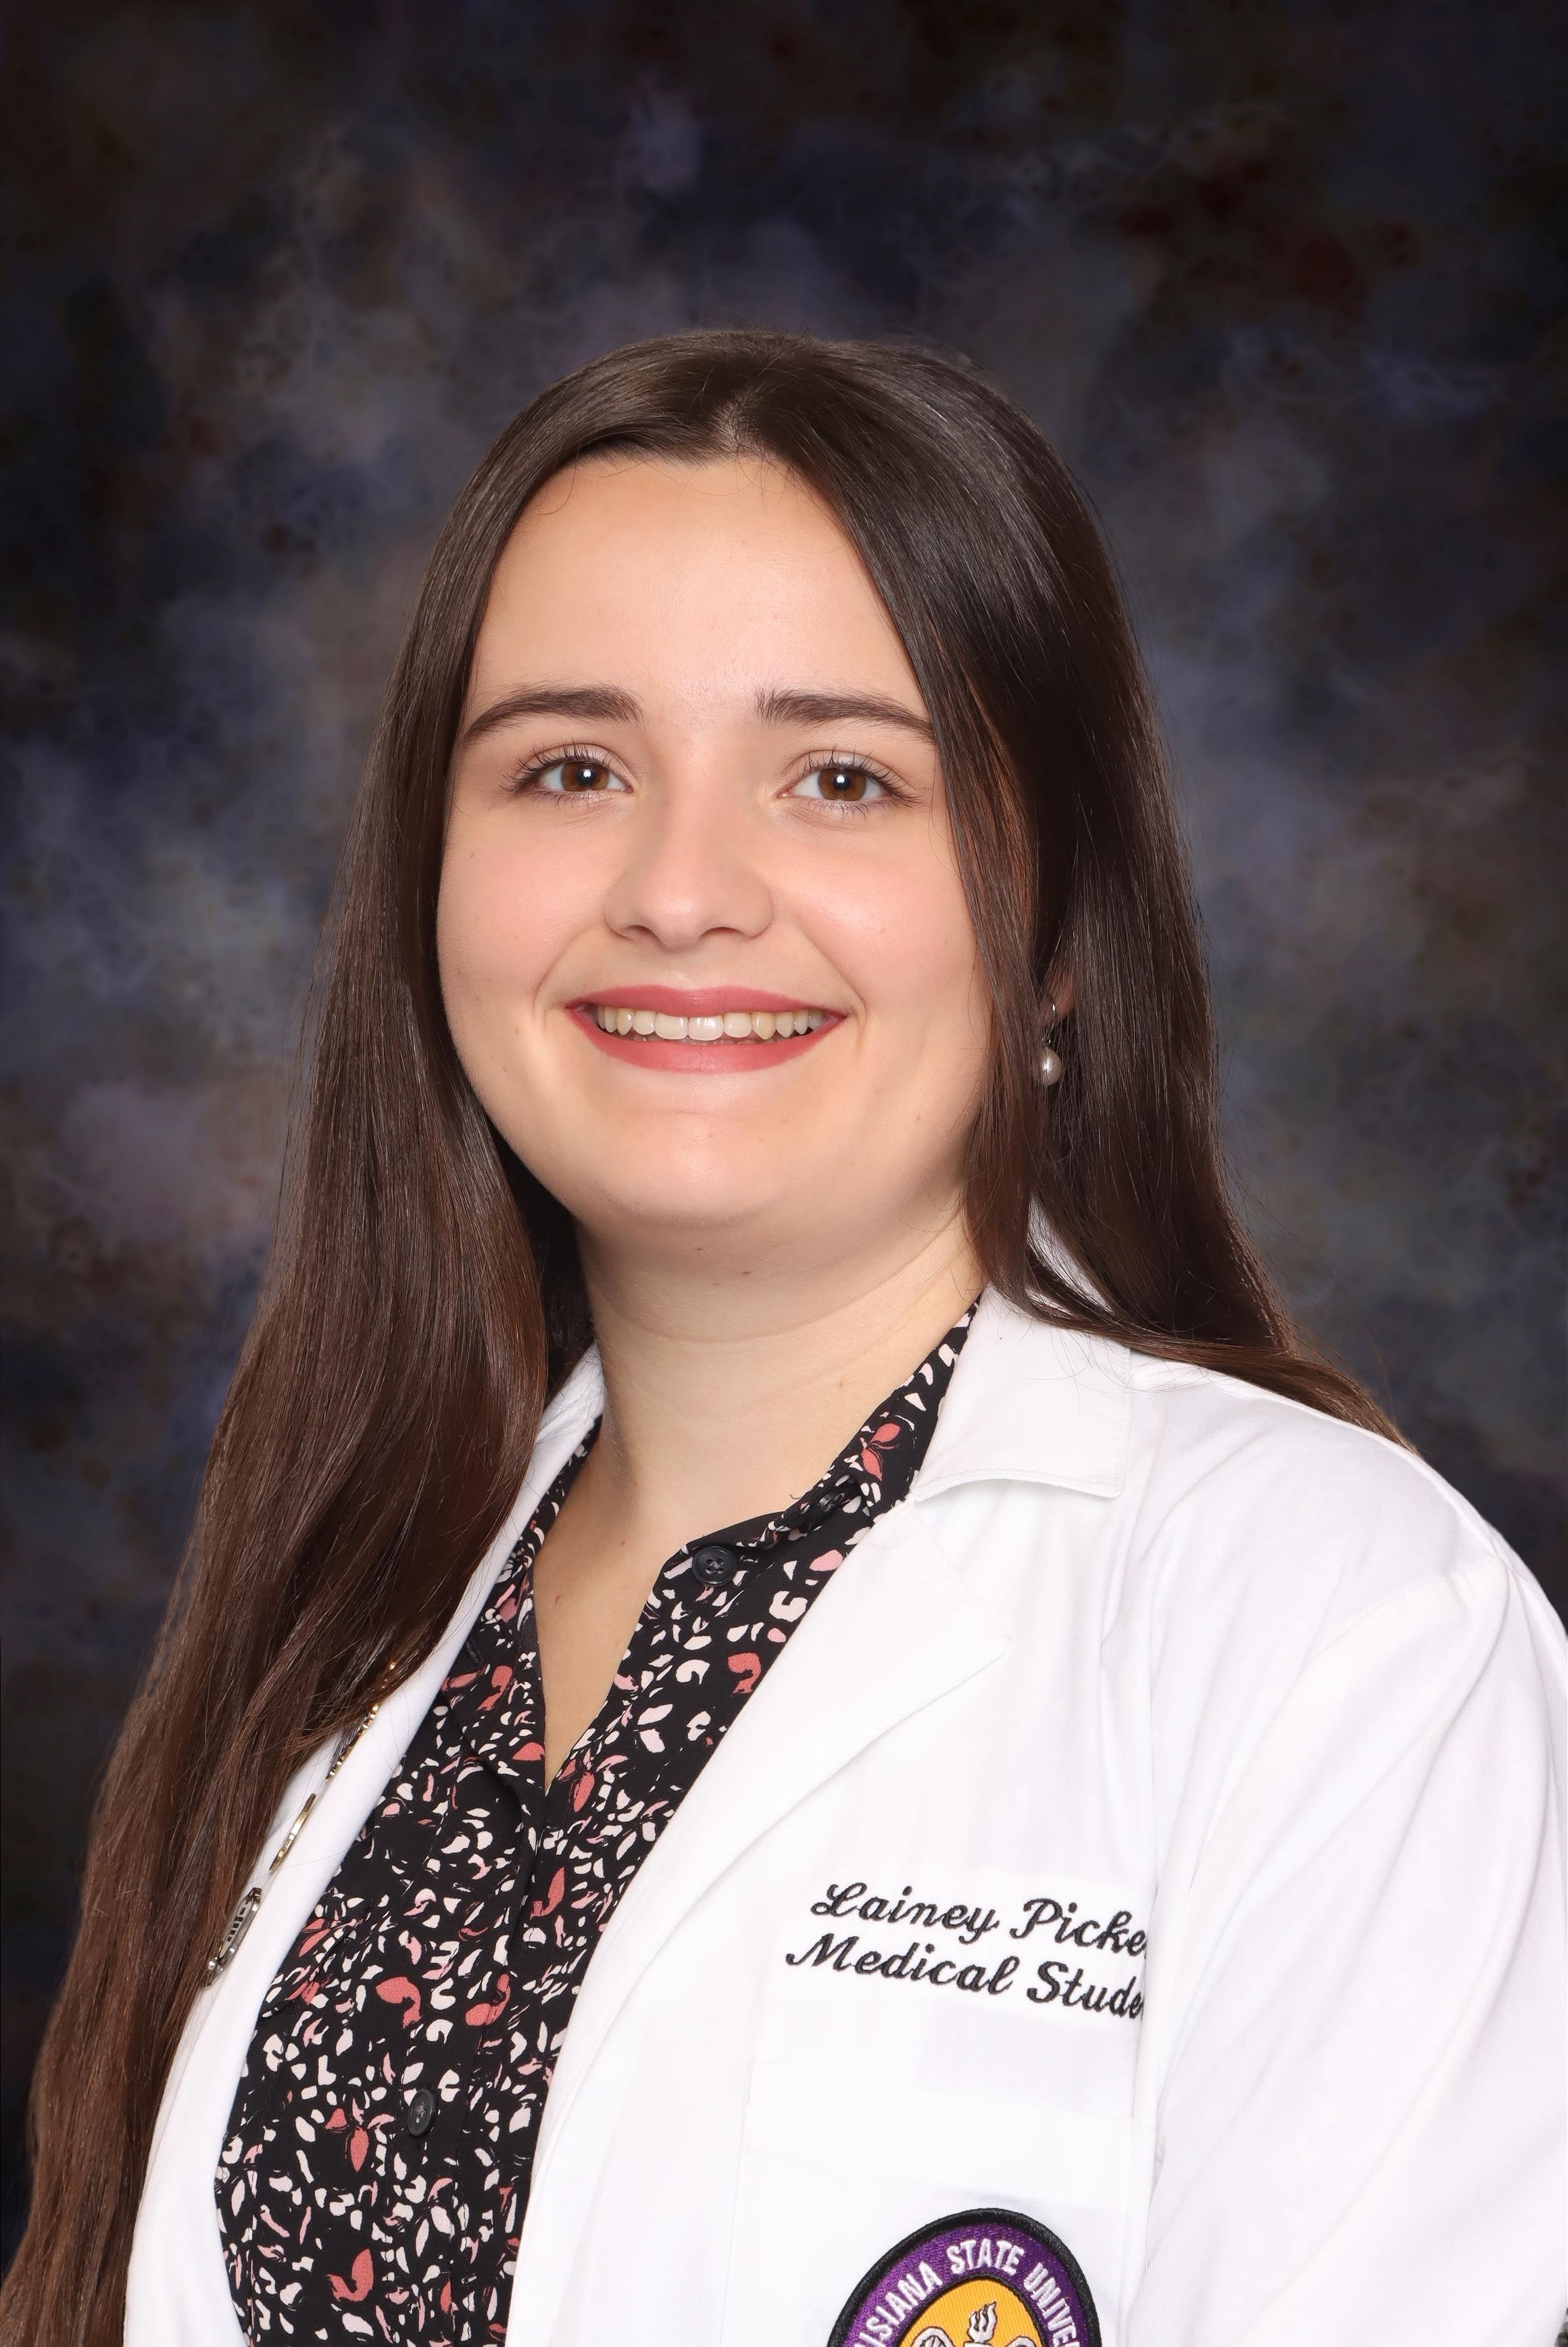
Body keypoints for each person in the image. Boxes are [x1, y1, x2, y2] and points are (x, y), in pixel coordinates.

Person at [5, 331, 1562, 2347]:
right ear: (430, 885)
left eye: (842, 778)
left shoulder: (1346, 1630)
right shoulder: (335, 1607)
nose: (679, 893)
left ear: (1066, 930)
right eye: (573, 768)